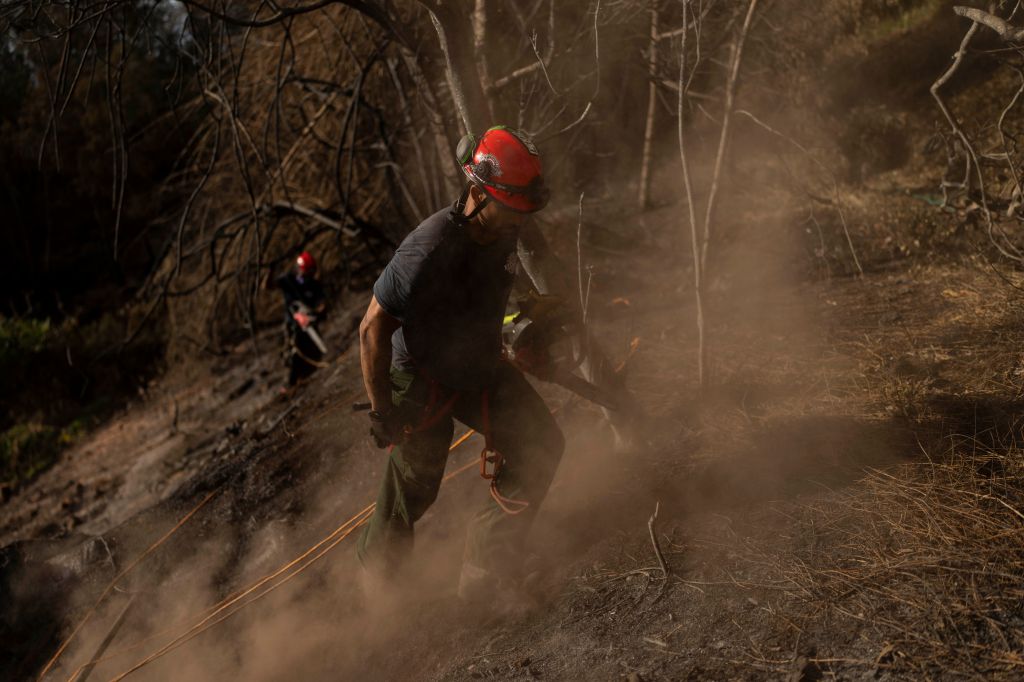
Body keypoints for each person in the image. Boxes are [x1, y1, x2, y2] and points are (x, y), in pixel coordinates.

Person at [356, 126, 564, 604]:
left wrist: (525, 336)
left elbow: (491, 299)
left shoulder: (504, 230)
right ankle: (378, 592)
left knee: (542, 443)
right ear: (477, 193)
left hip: (476, 363)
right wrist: (382, 410)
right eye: (512, 210)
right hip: (419, 372)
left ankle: (487, 567)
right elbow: (371, 328)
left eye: (526, 211)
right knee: (416, 484)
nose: (520, 222)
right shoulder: (425, 250)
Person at [278, 251, 327, 389]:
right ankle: (289, 384)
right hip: (292, 326)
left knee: (315, 352)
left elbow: (321, 302)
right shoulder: (289, 281)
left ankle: (308, 379)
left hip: (309, 324)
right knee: (294, 354)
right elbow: (268, 285)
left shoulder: (314, 284)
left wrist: (316, 311)